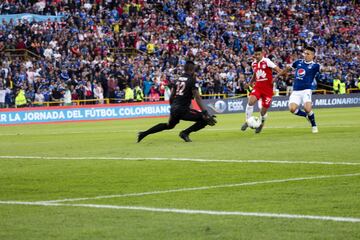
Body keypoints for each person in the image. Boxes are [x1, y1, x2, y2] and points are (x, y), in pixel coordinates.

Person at [137, 61, 217, 143]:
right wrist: (205, 112)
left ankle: (144, 133)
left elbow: (171, 97)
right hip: (183, 110)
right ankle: (185, 133)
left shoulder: (178, 80)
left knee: (169, 125)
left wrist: (172, 108)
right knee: (205, 119)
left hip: (174, 108)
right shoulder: (192, 80)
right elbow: (197, 98)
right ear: (192, 70)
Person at [282, 46, 333, 133]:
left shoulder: (315, 66)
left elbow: (323, 69)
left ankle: (314, 125)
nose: (305, 55)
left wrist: (330, 69)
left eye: (307, 54)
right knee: (292, 109)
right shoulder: (298, 62)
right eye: (304, 53)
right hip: (296, 91)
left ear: (313, 56)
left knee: (307, 108)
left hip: (306, 90)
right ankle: (306, 116)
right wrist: (286, 70)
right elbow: (289, 67)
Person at [241, 47, 283, 133]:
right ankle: (247, 121)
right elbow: (255, 74)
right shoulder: (253, 64)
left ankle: (261, 124)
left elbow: (278, 70)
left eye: (258, 54)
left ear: (262, 54)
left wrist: (275, 78)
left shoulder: (267, 61)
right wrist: (250, 83)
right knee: (251, 101)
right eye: (255, 54)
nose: (257, 56)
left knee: (263, 111)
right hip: (258, 87)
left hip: (267, 90)